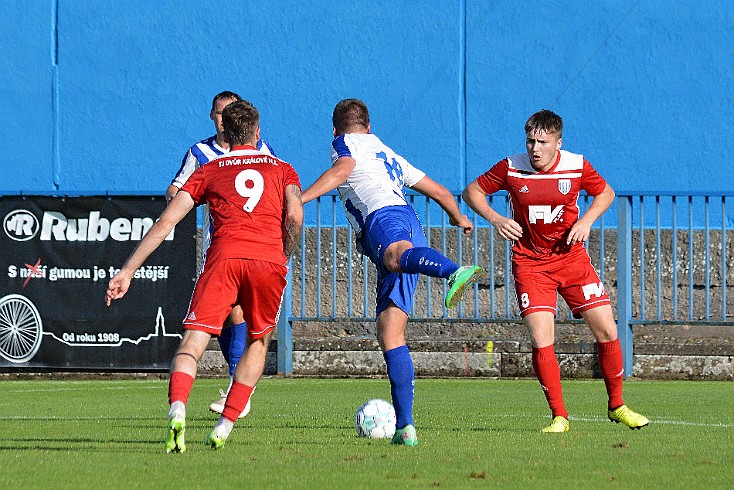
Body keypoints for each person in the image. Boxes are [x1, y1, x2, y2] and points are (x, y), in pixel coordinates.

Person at [107, 100, 303, 452]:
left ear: (224, 132)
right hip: (267, 262)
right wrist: (283, 255)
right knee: (259, 343)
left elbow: (167, 221)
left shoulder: (210, 168)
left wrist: (127, 270)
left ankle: (177, 410)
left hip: (223, 258)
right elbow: (295, 217)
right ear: (258, 133)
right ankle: (225, 426)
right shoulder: (283, 168)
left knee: (192, 344)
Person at [301, 98, 484, 446]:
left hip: (384, 218)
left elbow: (342, 170)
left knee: (395, 257)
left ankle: (452, 272)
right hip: (409, 222)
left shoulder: (343, 143)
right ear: (369, 126)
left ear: (335, 129)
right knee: (390, 333)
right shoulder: (385, 151)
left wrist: (302, 198)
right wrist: (457, 217)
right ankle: (406, 428)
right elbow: (440, 191)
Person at [462, 109, 649, 433]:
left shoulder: (576, 166)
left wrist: (586, 221)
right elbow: (472, 191)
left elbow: (605, 192)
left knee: (608, 331)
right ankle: (560, 416)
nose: (535, 148)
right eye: (531, 141)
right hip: (530, 264)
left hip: (572, 261)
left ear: (557, 143)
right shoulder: (511, 167)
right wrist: (497, 219)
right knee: (541, 337)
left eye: (542, 142)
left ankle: (617, 406)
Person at [167, 91, 278, 419]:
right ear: (212, 116)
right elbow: (176, 189)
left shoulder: (261, 150)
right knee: (231, 314)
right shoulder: (201, 152)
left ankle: (236, 388)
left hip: (253, 246)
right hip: (220, 245)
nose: (222, 118)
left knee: (238, 313)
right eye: (218, 113)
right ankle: (237, 388)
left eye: (228, 112)